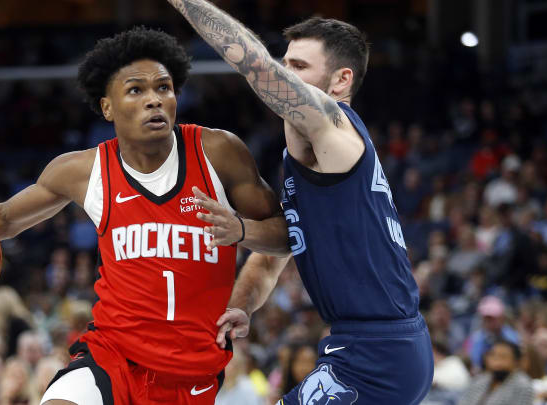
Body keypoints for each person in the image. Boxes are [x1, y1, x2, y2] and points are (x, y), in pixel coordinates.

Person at [0, 27, 288, 405]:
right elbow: (1, 218)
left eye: (163, 88)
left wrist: (243, 241)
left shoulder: (218, 153)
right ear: (107, 106)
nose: (154, 99)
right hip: (111, 354)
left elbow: (287, 236)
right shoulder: (83, 171)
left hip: (192, 370)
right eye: (136, 90)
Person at [165, 1, 434, 404]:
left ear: (341, 81)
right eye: (285, 63)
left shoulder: (334, 126)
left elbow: (255, 65)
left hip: (379, 351)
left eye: (300, 68)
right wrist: (243, 305)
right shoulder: (304, 157)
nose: (285, 75)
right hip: (370, 344)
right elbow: (282, 248)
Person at [458, 340, 534, 405]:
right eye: (493, 355)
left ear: (516, 362)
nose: (497, 361)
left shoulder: (523, 385)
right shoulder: (480, 379)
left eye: (503, 356)